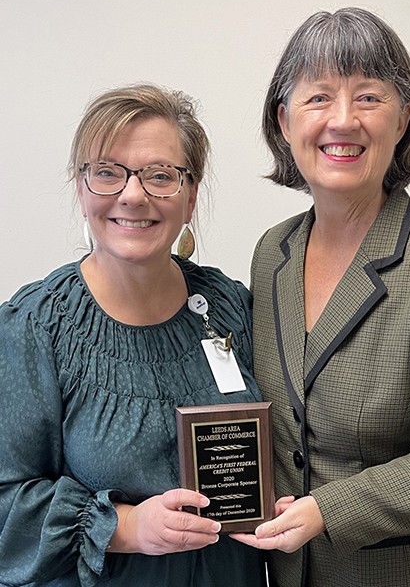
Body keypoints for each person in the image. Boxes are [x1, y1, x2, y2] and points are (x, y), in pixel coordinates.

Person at [231, 7, 410, 587]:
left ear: (403, 119)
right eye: (319, 97)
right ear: (284, 120)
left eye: (369, 97)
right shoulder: (270, 253)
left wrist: (332, 509)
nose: (343, 120)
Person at [0, 84, 266, 586]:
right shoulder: (34, 327)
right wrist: (124, 527)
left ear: (190, 197)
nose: (132, 194)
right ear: (82, 190)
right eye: (107, 173)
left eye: (160, 176)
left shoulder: (233, 307)